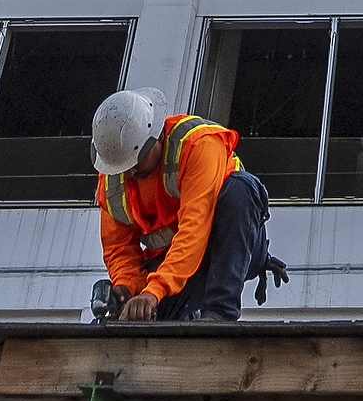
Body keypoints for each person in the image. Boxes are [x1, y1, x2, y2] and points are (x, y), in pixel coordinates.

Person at [90, 88, 278, 320]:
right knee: (141, 314)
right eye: (122, 165)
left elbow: (195, 230)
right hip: (173, 263)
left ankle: (219, 314)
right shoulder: (114, 175)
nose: (131, 170)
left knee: (241, 188)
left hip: (229, 249)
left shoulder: (198, 145)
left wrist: (154, 292)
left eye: (137, 159)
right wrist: (126, 289)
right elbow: (119, 250)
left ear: (158, 135)